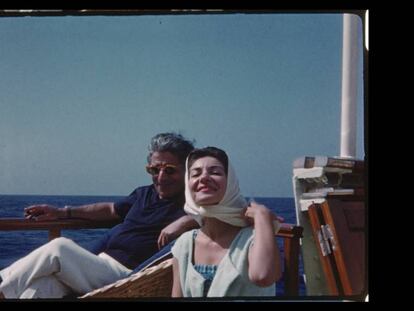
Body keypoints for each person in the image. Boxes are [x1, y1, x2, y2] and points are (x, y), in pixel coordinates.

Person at [0, 132, 199, 299]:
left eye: (170, 170)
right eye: (154, 170)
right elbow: (111, 210)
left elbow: (225, 214)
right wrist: (62, 212)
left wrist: (186, 220)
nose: (161, 177)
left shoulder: (194, 202)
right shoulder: (144, 193)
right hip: (97, 266)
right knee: (42, 287)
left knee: (59, 247)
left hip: (127, 277)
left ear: (187, 170)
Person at [171, 147, 282, 297]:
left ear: (231, 183)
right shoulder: (184, 245)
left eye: (215, 172)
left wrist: (262, 215)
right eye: (195, 174)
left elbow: (263, 276)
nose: (203, 178)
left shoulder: (253, 239)